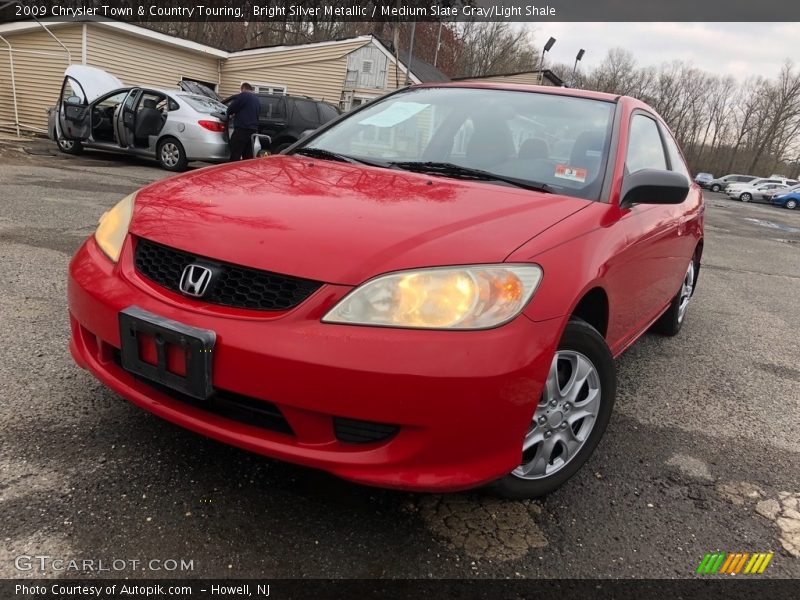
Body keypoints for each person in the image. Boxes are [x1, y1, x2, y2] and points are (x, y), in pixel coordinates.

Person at [226, 82, 260, 161]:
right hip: (253, 131)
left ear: (243, 89)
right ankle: (245, 171)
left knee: (235, 153)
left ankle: (232, 171)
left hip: (242, 129)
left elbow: (231, 108)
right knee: (247, 156)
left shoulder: (244, 95)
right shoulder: (256, 99)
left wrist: (229, 114)